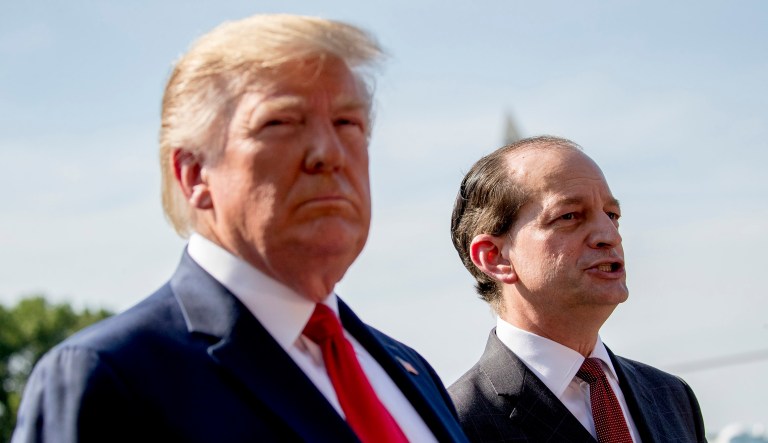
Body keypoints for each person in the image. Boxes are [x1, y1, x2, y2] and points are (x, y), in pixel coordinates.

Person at [12, 14, 468, 443]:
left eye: (347, 122)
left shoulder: (411, 371)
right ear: (194, 173)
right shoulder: (111, 377)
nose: (328, 153)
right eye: (281, 122)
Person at [447, 136, 707, 442]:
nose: (609, 235)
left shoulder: (673, 397)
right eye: (569, 216)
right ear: (495, 257)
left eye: (612, 215)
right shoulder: (453, 425)